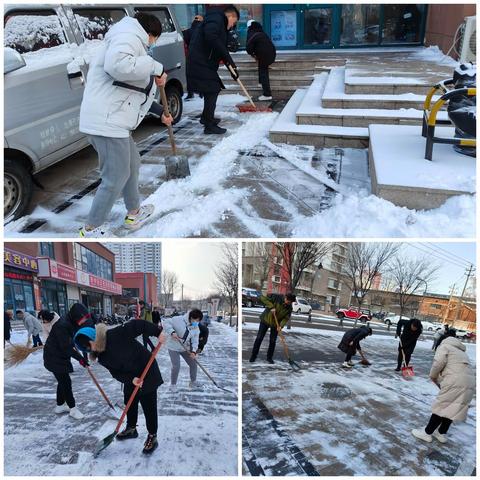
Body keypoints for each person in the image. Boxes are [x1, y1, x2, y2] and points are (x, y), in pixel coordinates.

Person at [78, 12, 173, 237]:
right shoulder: (128, 36)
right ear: (150, 33)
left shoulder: (129, 40)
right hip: (107, 122)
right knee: (115, 176)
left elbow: (132, 89)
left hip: (114, 120)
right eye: (154, 39)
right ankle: (91, 228)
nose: (153, 45)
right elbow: (118, 65)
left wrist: (160, 112)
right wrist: (155, 67)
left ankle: (134, 212)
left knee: (131, 165)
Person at [74, 320, 165, 454]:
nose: (92, 349)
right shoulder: (101, 357)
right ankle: (131, 428)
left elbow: (137, 325)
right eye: (87, 349)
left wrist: (157, 332)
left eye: (90, 344)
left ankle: (152, 436)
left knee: (148, 405)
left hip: (147, 369)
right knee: (129, 401)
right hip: (131, 377)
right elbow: (116, 373)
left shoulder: (115, 334)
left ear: (93, 337)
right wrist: (131, 379)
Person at [412, 329, 475, 444]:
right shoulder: (461, 351)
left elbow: (438, 363)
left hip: (455, 381)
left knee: (442, 406)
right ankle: (441, 433)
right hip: (469, 382)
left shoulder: (445, 346)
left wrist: (433, 376)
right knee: (453, 408)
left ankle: (427, 433)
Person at [186, 5, 240, 135]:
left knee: (212, 89)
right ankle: (209, 125)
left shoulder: (217, 23)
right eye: (234, 22)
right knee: (213, 89)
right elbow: (211, 37)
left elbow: (220, 49)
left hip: (203, 63)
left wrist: (232, 67)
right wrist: (230, 61)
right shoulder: (217, 18)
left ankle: (206, 119)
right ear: (230, 16)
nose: (232, 26)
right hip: (200, 63)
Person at [43, 303, 93, 420]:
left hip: (59, 356)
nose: (83, 322)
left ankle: (60, 406)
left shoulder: (71, 322)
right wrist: (81, 359)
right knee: (66, 382)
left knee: (62, 381)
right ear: (76, 317)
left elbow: (70, 342)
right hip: (54, 357)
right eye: (82, 319)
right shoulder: (63, 325)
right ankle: (73, 409)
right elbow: (66, 347)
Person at [249, 293, 296, 364]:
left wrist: (281, 326)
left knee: (273, 341)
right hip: (266, 320)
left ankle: (269, 357)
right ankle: (253, 356)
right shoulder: (276, 297)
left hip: (275, 324)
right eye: (288, 301)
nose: (289, 303)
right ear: (285, 297)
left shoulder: (289, 308)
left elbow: (286, 318)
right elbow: (262, 297)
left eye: (290, 303)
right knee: (259, 338)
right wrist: (271, 307)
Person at [162, 309, 201, 389]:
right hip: (173, 347)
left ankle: (193, 382)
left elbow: (195, 340)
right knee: (176, 365)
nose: (196, 322)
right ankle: (173, 385)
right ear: (190, 317)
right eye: (195, 320)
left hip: (184, 347)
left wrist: (193, 351)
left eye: (198, 321)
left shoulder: (195, 327)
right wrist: (172, 332)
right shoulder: (178, 320)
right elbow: (166, 322)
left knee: (193, 364)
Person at [245, 19, 276, 101]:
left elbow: (248, 47)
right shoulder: (261, 32)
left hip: (264, 55)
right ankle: (261, 82)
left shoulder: (251, 33)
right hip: (272, 54)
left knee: (263, 72)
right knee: (262, 67)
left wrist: (253, 54)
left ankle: (267, 94)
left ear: (249, 27)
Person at [183, 14, 204, 100]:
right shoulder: (203, 30)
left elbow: (186, 41)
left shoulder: (188, 31)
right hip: (202, 55)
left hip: (190, 55)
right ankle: (202, 92)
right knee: (202, 74)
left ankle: (190, 93)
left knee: (190, 74)